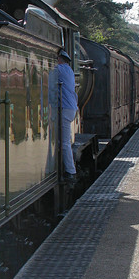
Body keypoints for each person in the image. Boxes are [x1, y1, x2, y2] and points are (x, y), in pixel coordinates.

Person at [49, 48, 78, 182]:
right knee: (63, 141)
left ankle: (70, 171)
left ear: (60, 60)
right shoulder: (69, 71)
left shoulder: (60, 70)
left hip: (65, 109)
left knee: (65, 142)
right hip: (70, 108)